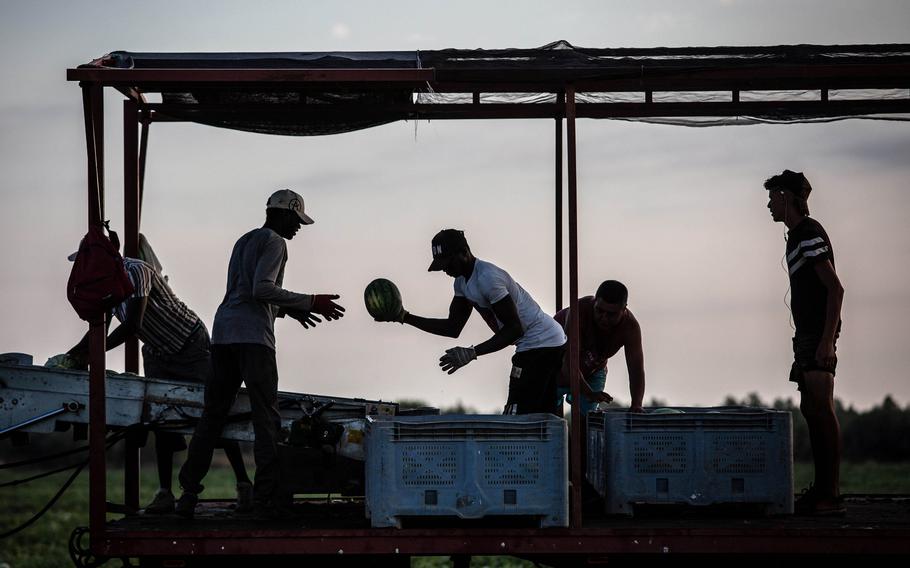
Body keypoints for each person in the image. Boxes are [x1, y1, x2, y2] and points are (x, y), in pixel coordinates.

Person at [175, 189, 345, 519]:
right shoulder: (275, 243)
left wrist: (288, 311)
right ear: (282, 214)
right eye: (296, 221)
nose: (297, 229)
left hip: (224, 333)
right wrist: (311, 300)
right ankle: (265, 499)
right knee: (265, 419)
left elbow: (243, 293)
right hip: (253, 339)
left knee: (212, 417)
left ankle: (187, 496)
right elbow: (261, 289)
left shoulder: (244, 240)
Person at [66, 251, 253, 515]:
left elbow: (132, 325)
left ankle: (244, 485)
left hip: (189, 345)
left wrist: (93, 353)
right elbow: (100, 328)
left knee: (215, 411)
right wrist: (74, 355)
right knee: (160, 419)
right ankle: (165, 493)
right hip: (158, 351)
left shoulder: (137, 271)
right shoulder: (106, 287)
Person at [375, 229, 566, 415]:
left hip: (541, 343)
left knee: (518, 416)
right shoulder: (461, 283)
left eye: (449, 263)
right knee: (536, 415)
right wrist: (404, 317)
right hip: (540, 343)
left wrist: (472, 353)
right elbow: (452, 327)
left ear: (464, 253)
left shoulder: (488, 278)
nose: (446, 270)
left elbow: (515, 329)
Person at [765, 170, 845, 516]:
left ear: (786, 196)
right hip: (807, 334)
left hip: (816, 334)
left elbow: (835, 288)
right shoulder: (795, 235)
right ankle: (821, 490)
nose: (769, 204)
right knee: (810, 408)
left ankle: (830, 493)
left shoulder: (808, 233)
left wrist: (826, 340)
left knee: (822, 409)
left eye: (772, 197)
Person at [554, 280, 645, 415]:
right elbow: (568, 363)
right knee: (549, 416)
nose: (604, 318)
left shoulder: (630, 327)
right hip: (556, 366)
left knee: (589, 419)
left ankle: (584, 433)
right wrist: (589, 393)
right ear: (594, 302)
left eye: (611, 314)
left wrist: (637, 404)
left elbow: (636, 369)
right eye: (599, 311)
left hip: (593, 369)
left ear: (623, 309)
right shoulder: (579, 311)